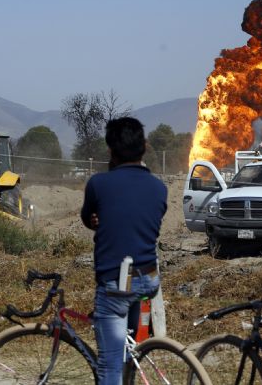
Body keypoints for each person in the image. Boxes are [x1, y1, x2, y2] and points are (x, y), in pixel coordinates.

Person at [80, 117, 167, 385]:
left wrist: (99, 219)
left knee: (109, 367)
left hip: (117, 282)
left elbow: (88, 217)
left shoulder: (99, 184)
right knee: (125, 345)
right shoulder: (159, 188)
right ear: (145, 146)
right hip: (148, 278)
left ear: (110, 150)